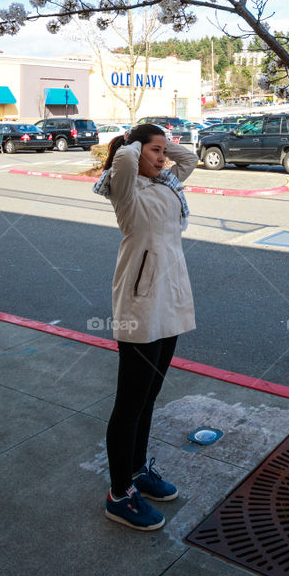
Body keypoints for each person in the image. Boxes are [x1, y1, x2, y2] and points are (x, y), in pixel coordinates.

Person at [93, 123, 198, 531]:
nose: (163, 158)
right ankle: (119, 494)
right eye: (154, 151)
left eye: (162, 151)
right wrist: (135, 143)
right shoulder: (127, 188)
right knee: (130, 402)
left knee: (150, 394)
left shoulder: (167, 184)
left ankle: (137, 471)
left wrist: (162, 144)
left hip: (169, 301)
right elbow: (122, 159)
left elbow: (188, 158)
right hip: (139, 304)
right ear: (136, 152)